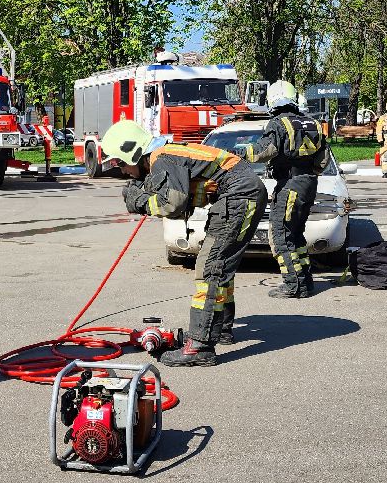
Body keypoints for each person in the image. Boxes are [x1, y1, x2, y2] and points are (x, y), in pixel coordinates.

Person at [101, 118, 267, 366]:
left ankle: (200, 346)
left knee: (211, 268)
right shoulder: (168, 155)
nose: (122, 170)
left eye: (120, 163)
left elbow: (173, 203)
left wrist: (140, 202)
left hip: (239, 196)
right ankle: (218, 329)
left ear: (132, 152)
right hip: (240, 194)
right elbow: (192, 197)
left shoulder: (162, 158)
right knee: (219, 267)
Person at [244, 80, 327, 298]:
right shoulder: (313, 124)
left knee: (281, 235)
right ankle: (305, 282)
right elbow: (322, 161)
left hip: (289, 185)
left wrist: (238, 155)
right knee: (296, 235)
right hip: (308, 184)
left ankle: (293, 286)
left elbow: (264, 151)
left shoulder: (278, 124)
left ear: (271, 101)